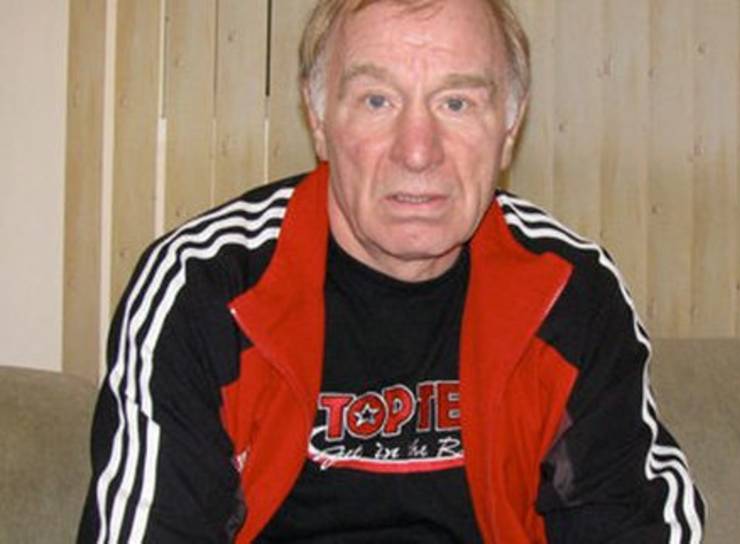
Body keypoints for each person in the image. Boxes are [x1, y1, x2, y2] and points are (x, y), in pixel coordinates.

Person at [79, 0, 705, 542]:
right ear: (319, 121)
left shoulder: (569, 295)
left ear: (509, 129)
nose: (418, 150)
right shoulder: (203, 290)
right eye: (377, 100)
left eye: (456, 102)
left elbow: (628, 523)